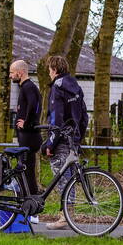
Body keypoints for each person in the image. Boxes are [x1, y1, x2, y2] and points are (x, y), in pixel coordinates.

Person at [41, 55, 85, 230]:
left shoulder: (57, 88)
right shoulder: (76, 87)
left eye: (49, 70)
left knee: (62, 179)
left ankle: (64, 218)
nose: (49, 74)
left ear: (54, 70)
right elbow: (84, 116)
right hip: (73, 138)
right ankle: (68, 215)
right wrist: (78, 138)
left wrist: (50, 143)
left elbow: (56, 119)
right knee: (70, 179)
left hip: (61, 140)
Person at [10, 59, 41, 198]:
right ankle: (29, 201)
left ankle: (28, 201)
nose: (10, 76)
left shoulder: (28, 87)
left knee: (26, 170)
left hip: (29, 136)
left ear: (20, 72)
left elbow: (34, 107)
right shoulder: (25, 87)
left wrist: (26, 123)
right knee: (27, 169)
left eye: (12, 72)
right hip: (27, 136)